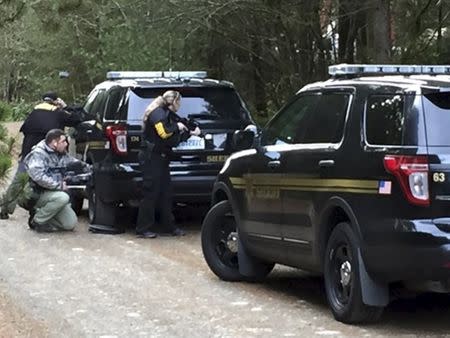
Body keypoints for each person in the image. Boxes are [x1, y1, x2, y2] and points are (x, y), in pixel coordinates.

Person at [0, 92, 82, 219]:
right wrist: (65, 107)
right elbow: (77, 120)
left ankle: (4, 209)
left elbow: (25, 131)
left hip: (29, 152)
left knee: (18, 181)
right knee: (57, 180)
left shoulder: (34, 112)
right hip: (49, 155)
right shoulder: (59, 113)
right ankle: (56, 211)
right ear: (56, 101)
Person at [136, 90, 201, 238]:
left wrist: (189, 131)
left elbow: (173, 139)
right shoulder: (157, 113)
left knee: (166, 193)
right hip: (151, 157)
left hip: (162, 158)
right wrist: (178, 128)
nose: (180, 106)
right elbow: (164, 134)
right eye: (179, 102)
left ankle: (168, 226)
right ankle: (143, 228)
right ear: (174, 102)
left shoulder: (168, 113)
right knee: (150, 193)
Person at [23, 129, 90, 232]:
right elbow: (38, 177)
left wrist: (92, 169)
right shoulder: (38, 154)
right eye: (63, 141)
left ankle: (40, 213)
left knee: (70, 224)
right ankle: (37, 221)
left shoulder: (61, 153)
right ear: (54, 143)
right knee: (63, 197)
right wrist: (59, 185)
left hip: (53, 194)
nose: (66, 144)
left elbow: (75, 163)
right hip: (37, 193)